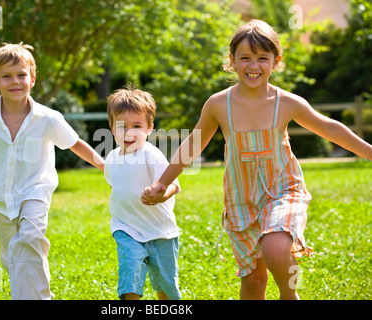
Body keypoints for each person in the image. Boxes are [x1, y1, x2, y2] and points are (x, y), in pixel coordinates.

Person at [142, 19, 372, 300]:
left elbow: (329, 128)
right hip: (241, 201)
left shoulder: (286, 103)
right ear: (232, 61)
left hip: (283, 191)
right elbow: (193, 145)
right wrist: (162, 183)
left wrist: (369, 151)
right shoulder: (218, 104)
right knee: (253, 281)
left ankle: (291, 294)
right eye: (245, 58)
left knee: (276, 248)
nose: (254, 66)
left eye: (263, 58)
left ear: (276, 61)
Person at [0, 42, 104, 300]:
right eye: (6, 76)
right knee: (13, 257)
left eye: (21, 75)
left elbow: (74, 143)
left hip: (35, 191)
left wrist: (103, 165)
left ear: (32, 79)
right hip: (0, 195)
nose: (15, 81)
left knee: (30, 238)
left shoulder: (48, 118)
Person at [104, 85, 182, 300]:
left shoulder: (152, 155)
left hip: (160, 231)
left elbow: (174, 185)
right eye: (122, 126)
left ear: (149, 128)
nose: (129, 132)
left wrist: (162, 194)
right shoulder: (111, 159)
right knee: (129, 278)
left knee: (165, 285)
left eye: (137, 126)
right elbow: (116, 186)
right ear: (111, 129)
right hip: (126, 228)